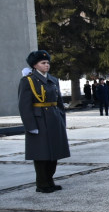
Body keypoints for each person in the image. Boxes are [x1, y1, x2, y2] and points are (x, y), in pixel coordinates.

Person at [18, 50, 70, 193]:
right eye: (43, 63)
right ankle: (42, 184)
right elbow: (24, 106)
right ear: (35, 65)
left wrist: (62, 120)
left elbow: (59, 103)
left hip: (54, 119)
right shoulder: (28, 81)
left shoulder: (53, 80)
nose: (47, 65)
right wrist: (30, 125)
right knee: (42, 154)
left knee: (54, 153)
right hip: (39, 120)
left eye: (48, 63)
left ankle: (50, 180)